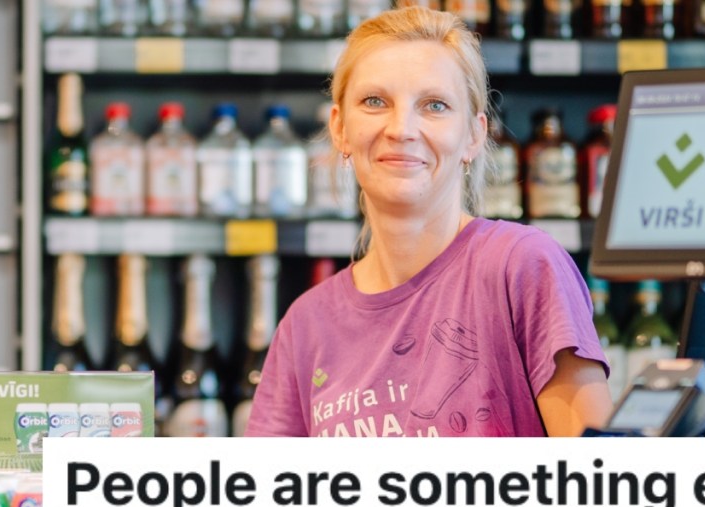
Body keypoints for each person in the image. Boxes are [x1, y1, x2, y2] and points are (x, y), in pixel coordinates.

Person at [245, 6, 612, 438]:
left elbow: (601, 483)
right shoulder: (305, 326)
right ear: (340, 128)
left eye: (434, 105)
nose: (401, 128)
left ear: (474, 135)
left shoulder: (523, 266)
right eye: (375, 102)